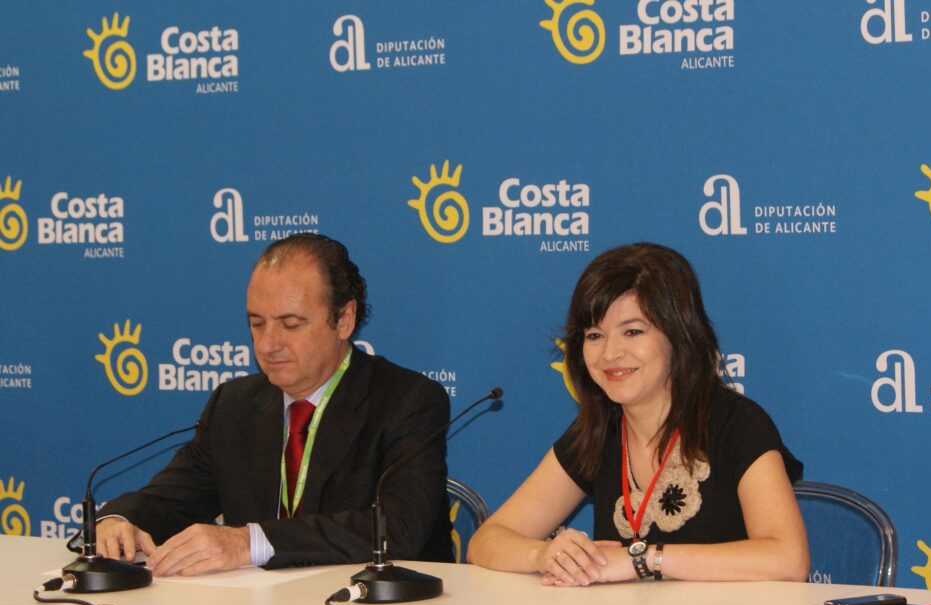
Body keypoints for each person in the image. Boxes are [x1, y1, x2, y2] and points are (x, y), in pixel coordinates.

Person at [96, 233, 453, 576]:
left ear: (344, 319)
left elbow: (398, 531)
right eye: (257, 323)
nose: (268, 344)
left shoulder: (407, 401)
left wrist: (246, 543)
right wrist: (121, 520)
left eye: (290, 324)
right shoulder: (233, 404)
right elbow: (173, 498)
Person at [467, 243, 808, 585]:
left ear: (679, 335)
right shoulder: (598, 430)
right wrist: (544, 554)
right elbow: (486, 541)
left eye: (633, 332)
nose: (610, 353)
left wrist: (642, 559)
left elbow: (788, 560)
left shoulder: (736, 423)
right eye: (595, 335)